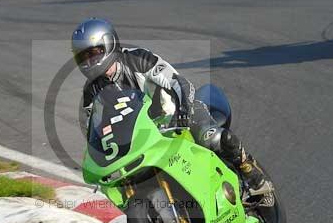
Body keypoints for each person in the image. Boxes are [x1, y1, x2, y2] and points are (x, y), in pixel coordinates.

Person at [71, 18, 273, 201]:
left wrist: (184, 108)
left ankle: (251, 174)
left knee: (212, 138)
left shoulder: (138, 59)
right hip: (143, 138)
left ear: (109, 43)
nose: (89, 60)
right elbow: (94, 133)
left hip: (175, 116)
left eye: (94, 52)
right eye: (83, 57)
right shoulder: (90, 94)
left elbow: (178, 82)